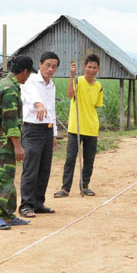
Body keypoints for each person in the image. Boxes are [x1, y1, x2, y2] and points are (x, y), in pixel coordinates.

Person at [0, 55, 35, 230]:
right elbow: (10, 120)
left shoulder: (4, 84)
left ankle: (7, 215)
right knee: (1, 179)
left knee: (7, 178)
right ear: (24, 72)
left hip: (0, 141)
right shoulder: (10, 89)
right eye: (28, 74)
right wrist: (17, 145)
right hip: (3, 142)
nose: (28, 78)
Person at [55, 54, 103, 197]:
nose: (91, 70)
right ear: (84, 67)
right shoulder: (77, 80)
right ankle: (65, 188)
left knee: (89, 160)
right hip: (75, 127)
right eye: (89, 67)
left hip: (92, 127)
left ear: (98, 69)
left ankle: (85, 186)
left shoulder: (99, 87)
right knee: (70, 158)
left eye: (94, 67)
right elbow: (70, 95)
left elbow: (96, 105)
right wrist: (71, 75)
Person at [18, 51, 59, 218]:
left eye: (54, 66)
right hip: (32, 129)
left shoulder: (52, 85)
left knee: (44, 168)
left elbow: (52, 110)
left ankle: (38, 202)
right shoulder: (31, 81)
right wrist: (39, 104)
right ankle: (26, 205)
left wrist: (54, 134)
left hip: (47, 129)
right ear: (40, 65)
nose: (50, 69)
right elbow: (30, 96)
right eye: (47, 65)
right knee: (31, 168)